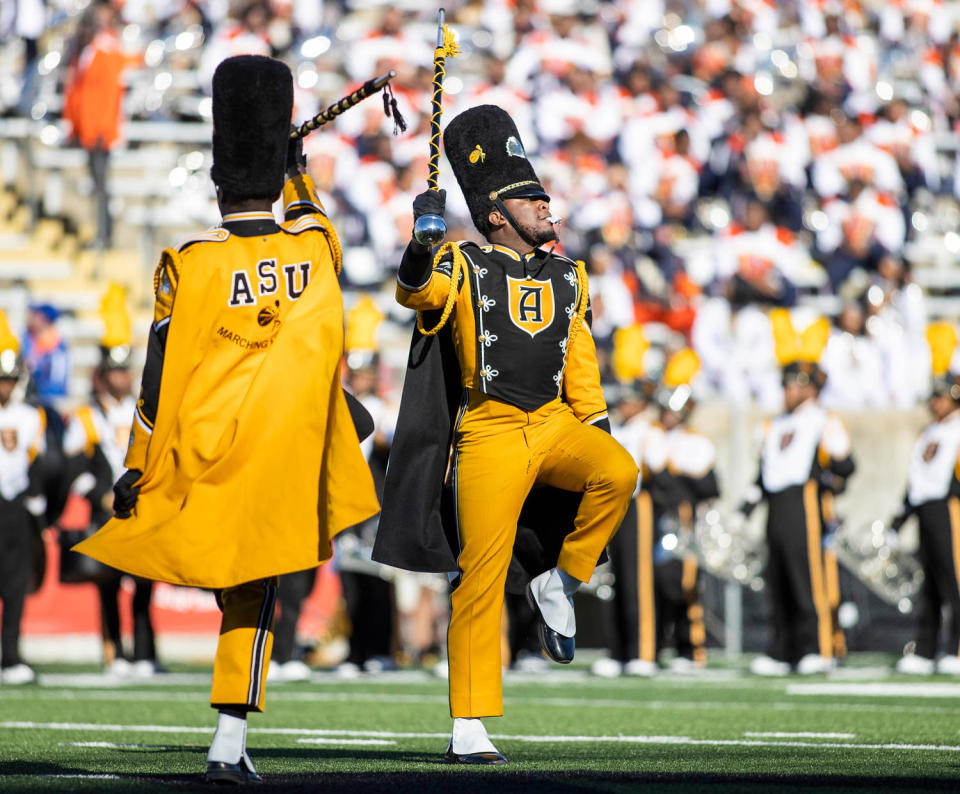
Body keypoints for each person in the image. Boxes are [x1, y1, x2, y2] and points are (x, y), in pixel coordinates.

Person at [74, 55, 378, 783]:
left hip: (203, 449)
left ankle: (229, 744)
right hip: (273, 449)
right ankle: (226, 743)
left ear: (217, 184)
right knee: (257, 589)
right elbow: (322, 236)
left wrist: (138, 463)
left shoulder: (187, 264)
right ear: (274, 178)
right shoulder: (309, 249)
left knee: (248, 590)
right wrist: (297, 173)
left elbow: (153, 382)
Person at [374, 105, 638, 764]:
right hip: (487, 430)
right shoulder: (462, 267)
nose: (547, 207)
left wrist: (597, 434)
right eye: (532, 198)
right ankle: (469, 723)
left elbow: (583, 377)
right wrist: (421, 241)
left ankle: (562, 581)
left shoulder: (571, 278)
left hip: (552, 423)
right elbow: (414, 294)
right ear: (497, 213)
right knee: (479, 580)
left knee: (620, 471)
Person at [61, 286, 158, 677]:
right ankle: (113, 650)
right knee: (109, 584)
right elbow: (73, 472)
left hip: (140, 506)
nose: (121, 377)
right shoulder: (86, 417)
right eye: (115, 371)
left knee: (146, 583)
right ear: (102, 373)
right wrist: (96, 493)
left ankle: (146, 653)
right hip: (106, 511)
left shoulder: (144, 411)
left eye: (125, 370)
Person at [745, 357, 855, 676]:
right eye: (786, 384)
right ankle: (783, 649)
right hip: (777, 505)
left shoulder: (823, 420)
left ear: (809, 388)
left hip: (804, 501)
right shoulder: (774, 424)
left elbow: (846, 465)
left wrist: (827, 487)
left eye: (793, 384)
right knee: (778, 578)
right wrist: (745, 508)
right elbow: (763, 475)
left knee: (807, 576)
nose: (787, 391)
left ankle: (816, 647)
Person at [892, 373, 960, 676]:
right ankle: (926, 648)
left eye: (940, 397)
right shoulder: (929, 432)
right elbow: (916, 482)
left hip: (951, 509)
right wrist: (898, 521)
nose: (934, 403)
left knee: (955, 578)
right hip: (927, 510)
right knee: (930, 582)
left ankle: (957, 648)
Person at [62, 0, 135, 250]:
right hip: (89, 129)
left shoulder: (106, 49)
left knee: (102, 185)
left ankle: (105, 237)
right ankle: (101, 235)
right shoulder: (89, 49)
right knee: (96, 184)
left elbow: (109, 94)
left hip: (99, 131)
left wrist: (103, 128)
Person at [0, 310, 47, 685]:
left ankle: (11, 654)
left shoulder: (29, 415)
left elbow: (38, 462)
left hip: (14, 505)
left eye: (9, 379)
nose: (5, 385)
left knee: (15, 584)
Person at [21, 304, 69, 405]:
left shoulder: (57, 348)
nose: (31, 318)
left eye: (35, 315)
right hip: (28, 397)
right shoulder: (27, 339)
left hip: (48, 400)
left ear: (44, 320)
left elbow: (56, 381)